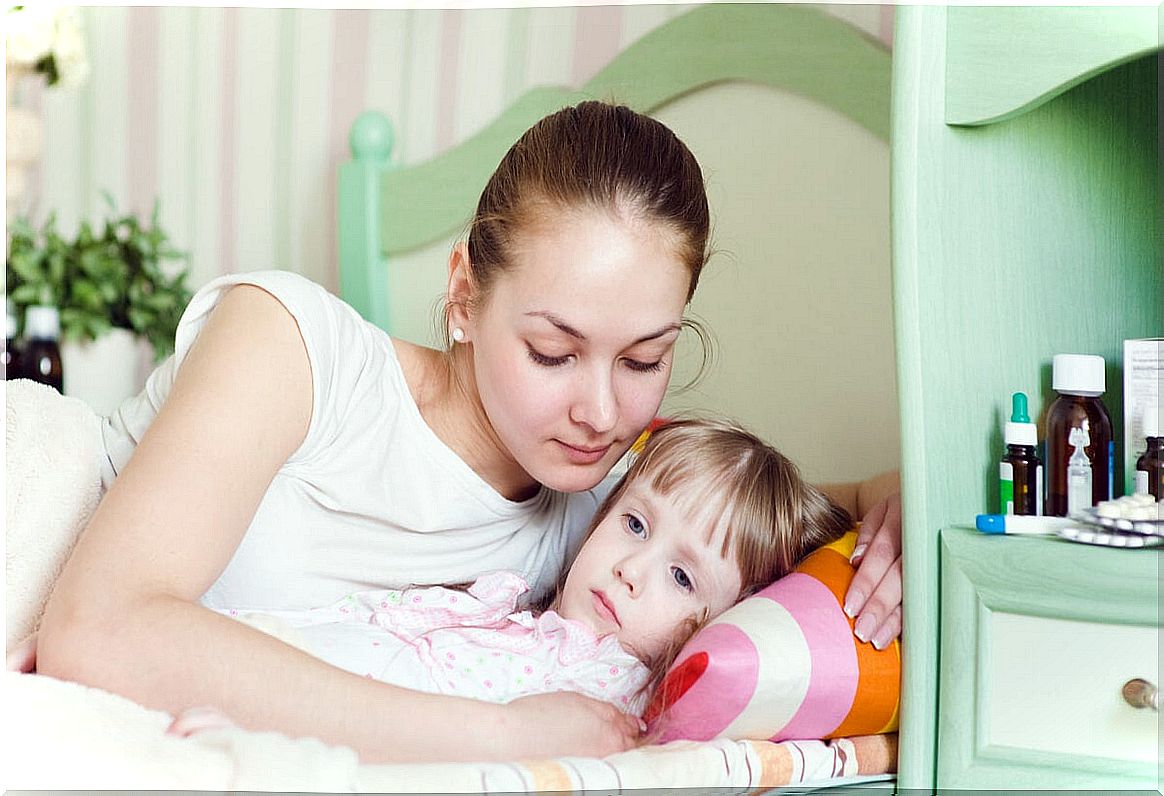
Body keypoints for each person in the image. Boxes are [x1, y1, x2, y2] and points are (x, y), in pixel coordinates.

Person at [30, 100, 903, 763]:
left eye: (643, 361)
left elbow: (822, 505)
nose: (600, 412)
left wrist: (906, 497)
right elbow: (98, 630)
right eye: (553, 352)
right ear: (462, 297)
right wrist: (497, 735)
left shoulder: (615, 501)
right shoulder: (293, 350)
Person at [166, 419, 853, 738]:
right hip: (276, 656)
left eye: (681, 576)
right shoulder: (522, 602)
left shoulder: (606, 699)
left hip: (332, 728)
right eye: (636, 526)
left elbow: (441, 753)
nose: (630, 570)